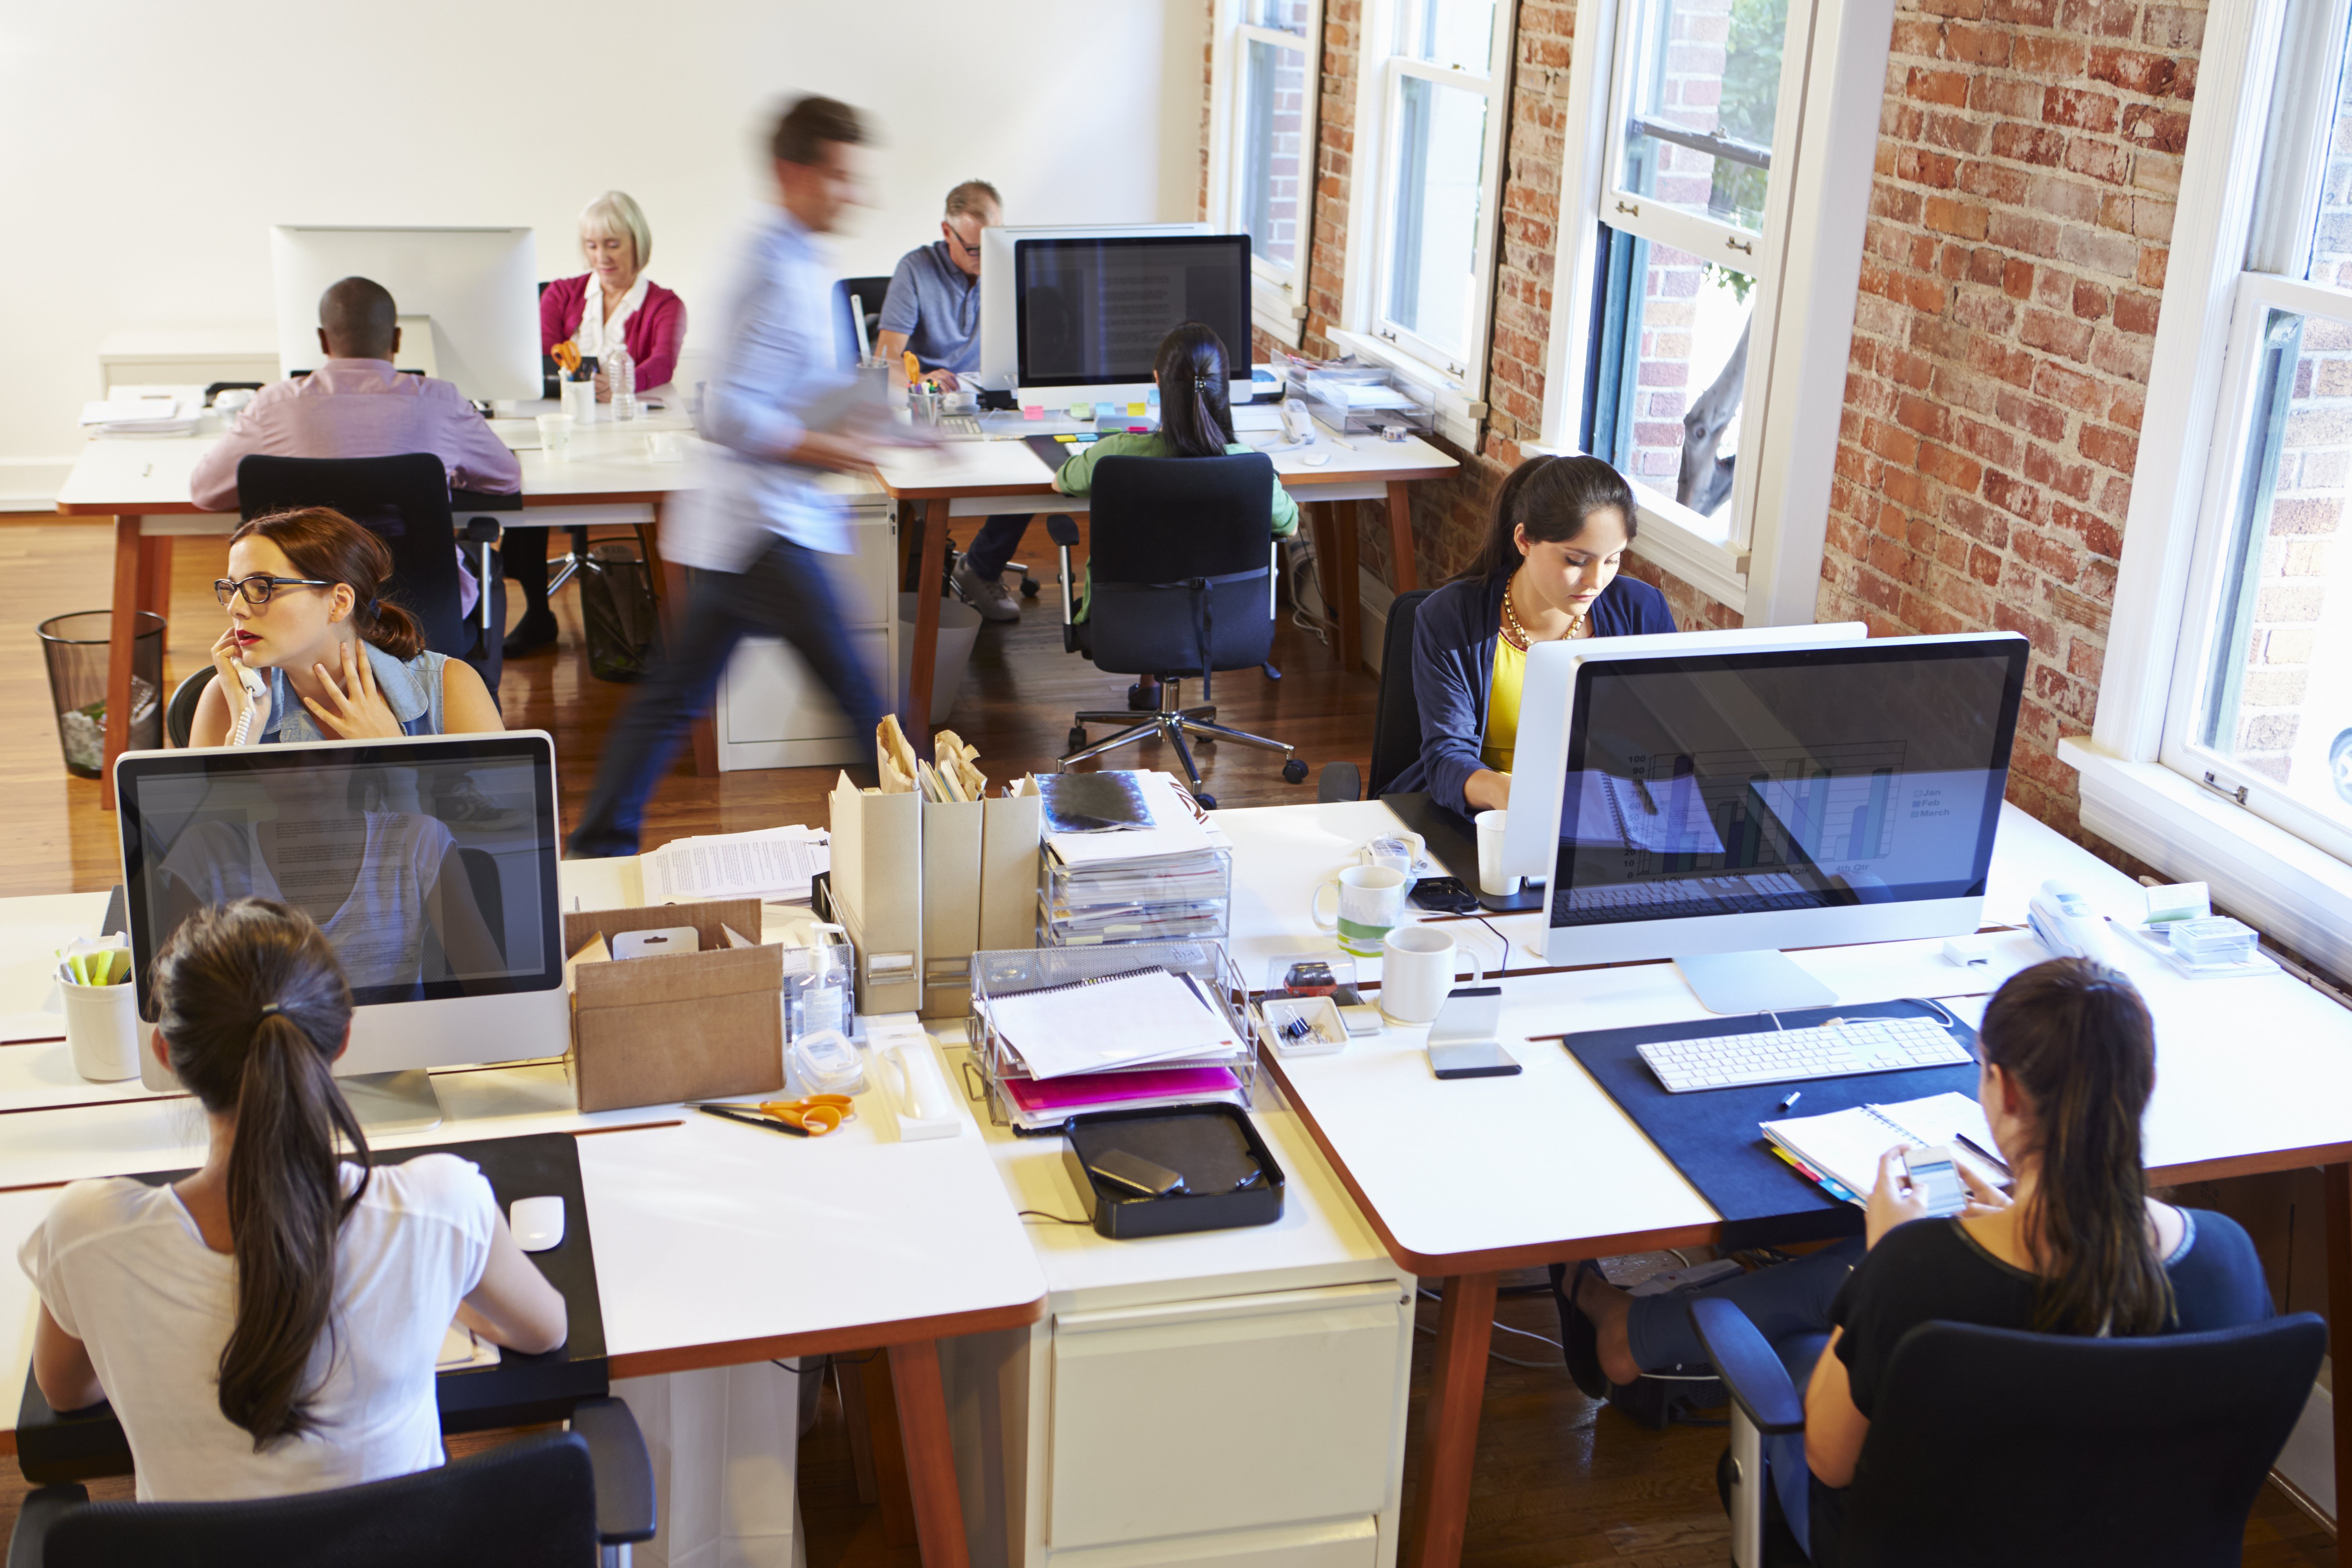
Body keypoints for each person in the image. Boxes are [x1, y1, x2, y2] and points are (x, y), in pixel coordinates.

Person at [1557, 959, 2272, 1560]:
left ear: (2006, 1090)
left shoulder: (1917, 1271)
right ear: (2141, 1089)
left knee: (1808, 1345)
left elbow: (1829, 1462)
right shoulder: (2230, 1257)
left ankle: (1629, 1333)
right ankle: (1632, 1333)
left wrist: (1885, 1256)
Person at [19, 899, 565, 1500]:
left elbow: (66, 1392)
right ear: (342, 1039)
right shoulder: (441, 1207)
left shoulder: (85, 1234)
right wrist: (443, 1294)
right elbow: (545, 1331)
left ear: (168, 1057)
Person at [568, 96, 893, 859]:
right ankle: (917, 848)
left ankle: (597, 843)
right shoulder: (763, 267)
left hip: (756, 524)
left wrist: (879, 426)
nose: (854, 194)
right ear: (793, 171)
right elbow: (717, 407)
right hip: (761, 524)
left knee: (675, 696)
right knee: (864, 702)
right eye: (840, 177)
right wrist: (818, 447)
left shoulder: (804, 263)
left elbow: (799, 388)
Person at [1385, 455, 1675, 817]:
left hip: (1603, 816)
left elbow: (1665, 739)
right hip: (1487, 817)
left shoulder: (1643, 610)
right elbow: (1446, 759)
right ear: (1524, 540)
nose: (1596, 582)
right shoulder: (1450, 618)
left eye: (1613, 559)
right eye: (1576, 561)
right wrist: (1507, 793)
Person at [509, 192, 690, 657]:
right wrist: (588, 381)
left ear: (636, 243)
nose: (601, 257)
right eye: (591, 246)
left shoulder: (666, 305)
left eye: (612, 245)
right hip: (566, 423)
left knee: (661, 499)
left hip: (628, 429)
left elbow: (663, 363)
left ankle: (661, 620)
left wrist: (623, 382)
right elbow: (541, 356)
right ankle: (536, 614)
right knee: (524, 487)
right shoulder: (561, 294)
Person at [1050, 320, 1298, 631]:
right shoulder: (1250, 468)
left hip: (1124, 623)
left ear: (1158, 381)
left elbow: (1060, 481)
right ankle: (1156, 676)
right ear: (1224, 384)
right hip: (1222, 624)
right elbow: (1289, 524)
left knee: (1150, 592)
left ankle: (1153, 676)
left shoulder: (1114, 455)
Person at [190, 507, 505, 748]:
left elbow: (503, 826)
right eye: (232, 588)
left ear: (339, 602)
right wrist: (242, 739)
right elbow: (198, 832)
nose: (235, 607)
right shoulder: (227, 698)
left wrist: (393, 751)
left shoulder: (450, 687)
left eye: (262, 587)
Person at [875, 179, 1032, 624]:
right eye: (975, 249)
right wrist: (921, 377)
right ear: (948, 233)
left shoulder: (1011, 266)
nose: (987, 259)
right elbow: (885, 358)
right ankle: (912, 593)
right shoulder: (916, 270)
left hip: (991, 399)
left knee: (1041, 460)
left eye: (995, 243)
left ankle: (980, 569)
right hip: (929, 404)